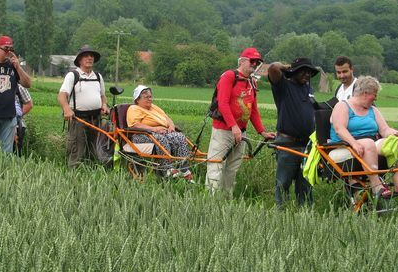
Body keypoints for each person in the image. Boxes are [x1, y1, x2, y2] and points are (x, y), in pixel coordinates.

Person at [329, 76, 398, 199]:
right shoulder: (342, 106)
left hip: (369, 145)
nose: (376, 98)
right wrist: (354, 143)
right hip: (346, 145)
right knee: (368, 143)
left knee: (396, 142)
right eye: (374, 94)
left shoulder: (373, 110)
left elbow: (384, 129)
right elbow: (340, 129)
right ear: (365, 93)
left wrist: (392, 133)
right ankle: (376, 187)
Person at [206, 47, 275, 192]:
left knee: (232, 168)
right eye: (252, 61)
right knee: (216, 164)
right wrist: (233, 126)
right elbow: (222, 103)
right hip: (223, 130)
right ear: (242, 61)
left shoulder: (252, 83)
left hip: (240, 132)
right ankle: (210, 200)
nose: (255, 65)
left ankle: (226, 199)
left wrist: (262, 132)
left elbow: (253, 110)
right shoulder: (229, 77)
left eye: (258, 62)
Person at [268, 57, 320, 207]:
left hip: (307, 145)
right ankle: (281, 213)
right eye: (303, 71)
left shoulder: (309, 90)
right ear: (294, 71)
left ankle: (304, 215)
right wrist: (289, 67)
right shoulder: (283, 86)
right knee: (283, 182)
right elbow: (273, 68)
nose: (307, 74)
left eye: (309, 72)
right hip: (288, 144)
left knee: (305, 184)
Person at [127, 85, 193, 180]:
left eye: (150, 96)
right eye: (146, 97)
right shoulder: (134, 108)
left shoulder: (153, 107)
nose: (150, 99)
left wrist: (171, 126)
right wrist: (154, 129)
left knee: (179, 136)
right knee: (161, 139)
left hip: (159, 132)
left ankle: (183, 168)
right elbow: (135, 125)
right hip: (141, 135)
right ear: (138, 99)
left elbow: (166, 117)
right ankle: (167, 169)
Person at [57, 45, 108, 168]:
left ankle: (91, 173)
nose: (89, 58)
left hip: (96, 119)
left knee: (95, 149)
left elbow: (102, 96)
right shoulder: (73, 75)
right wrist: (66, 109)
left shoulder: (97, 76)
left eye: (91, 56)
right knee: (76, 149)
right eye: (86, 56)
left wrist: (104, 105)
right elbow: (62, 95)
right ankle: (73, 174)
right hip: (78, 119)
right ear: (79, 60)